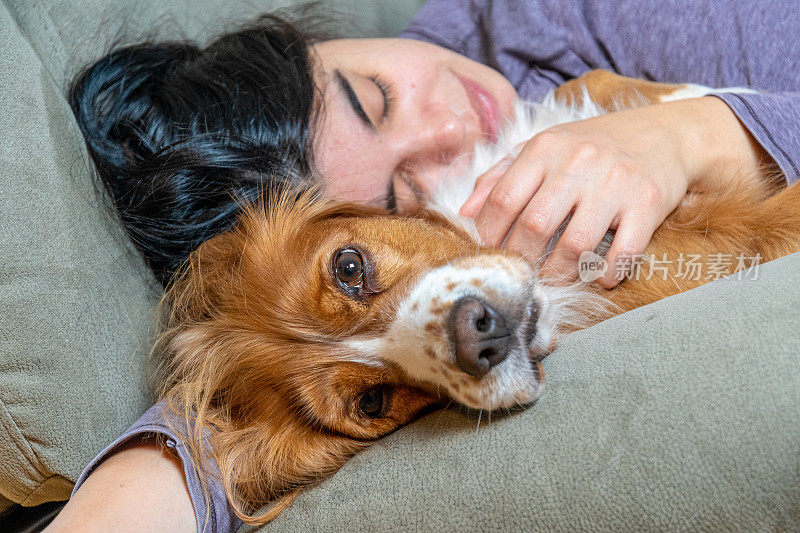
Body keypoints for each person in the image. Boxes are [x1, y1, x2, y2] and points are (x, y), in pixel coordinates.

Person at [48, 1, 798, 531]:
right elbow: (251, 410)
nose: (454, 126)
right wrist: (154, 470)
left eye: (371, 97)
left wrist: (702, 134)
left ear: (315, 37)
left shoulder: (550, 17)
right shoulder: (496, 245)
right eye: (407, 194)